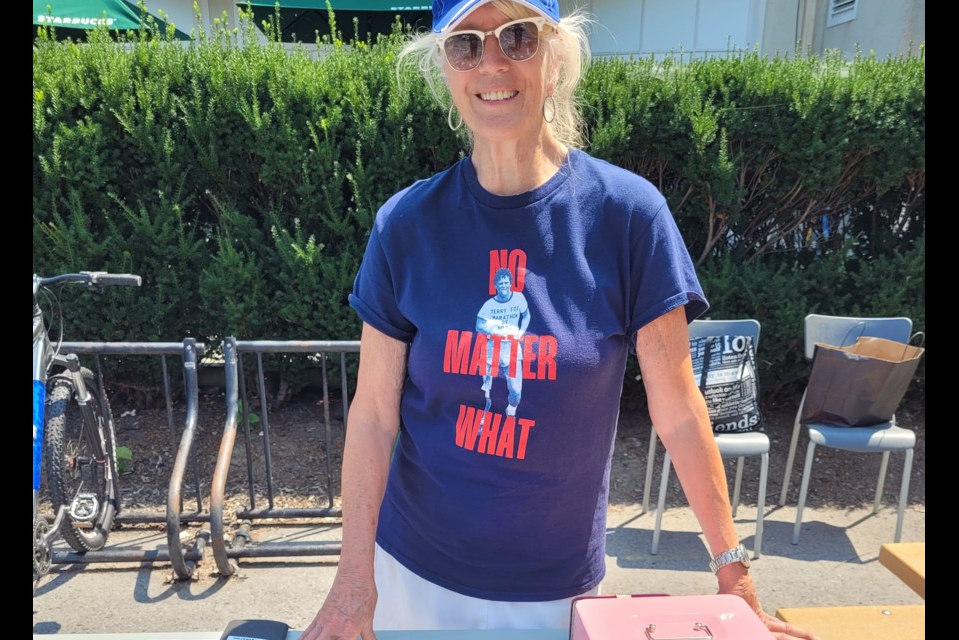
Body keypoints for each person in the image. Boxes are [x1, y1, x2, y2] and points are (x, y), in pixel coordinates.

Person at [302, 1, 818, 639]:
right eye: (466, 44)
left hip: (557, 594)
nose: (492, 61)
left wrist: (732, 571)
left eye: (517, 36)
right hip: (413, 577)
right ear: (445, 65)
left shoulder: (628, 216)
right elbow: (375, 414)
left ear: (555, 58)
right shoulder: (406, 224)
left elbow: (680, 411)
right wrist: (355, 580)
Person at [476, 266, 530, 419]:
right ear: (495, 285)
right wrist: (495, 331)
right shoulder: (489, 304)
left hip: (511, 348)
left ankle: (511, 410)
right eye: (501, 284)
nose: (504, 286)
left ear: (510, 283)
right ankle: (484, 417)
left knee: (516, 391)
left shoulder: (519, 298)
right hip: (492, 348)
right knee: (486, 390)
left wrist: (521, 332)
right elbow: (479, 325)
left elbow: (526, 315)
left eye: (506, 283)